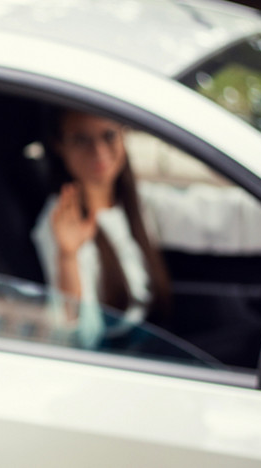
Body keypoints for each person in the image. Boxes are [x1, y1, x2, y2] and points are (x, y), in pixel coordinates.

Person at [31, 109, 172, 348]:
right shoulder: (61, 224)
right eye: (81, 140)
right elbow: (81, 337)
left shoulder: (134, 202)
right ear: (59, 145)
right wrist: (68, 257)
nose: (99, 151)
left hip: (148, 336)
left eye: (108, 135)